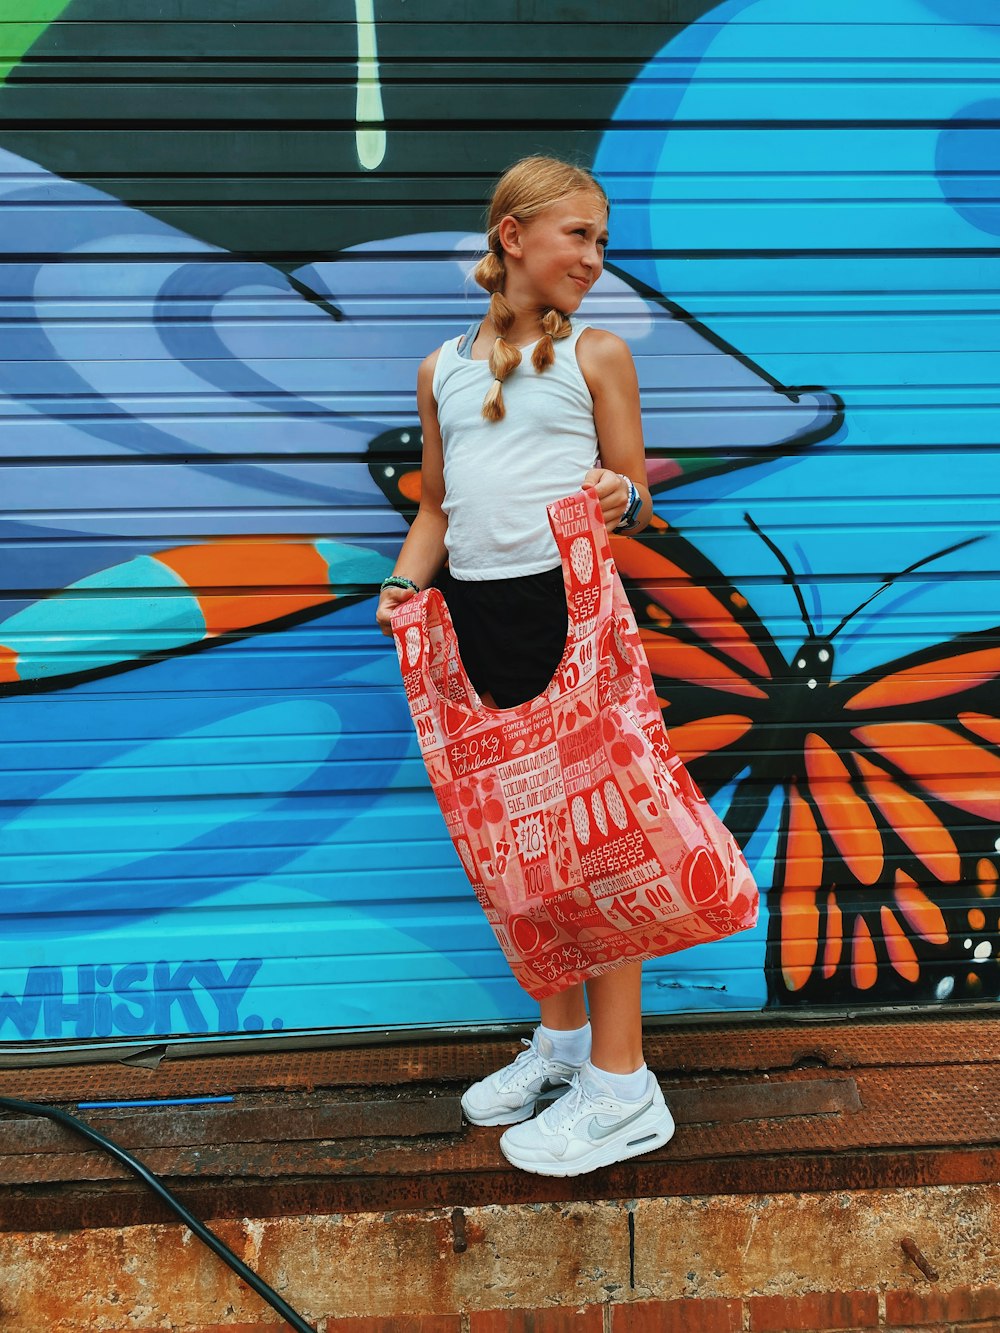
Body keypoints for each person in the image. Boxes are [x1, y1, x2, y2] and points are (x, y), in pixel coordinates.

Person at [375, 156, 675, 1177]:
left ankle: (624, 1082)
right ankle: (560, 1045)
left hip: (571, 610)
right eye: (576, 237)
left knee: (599, 844)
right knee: (520, 844)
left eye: (602, 241)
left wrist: (614, 499)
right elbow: (437, 506)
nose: (595, 258)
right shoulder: (441, 368)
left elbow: (636, 492)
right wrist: (405, 588)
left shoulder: (597, 355)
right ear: (512, 238)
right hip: (476, 620)